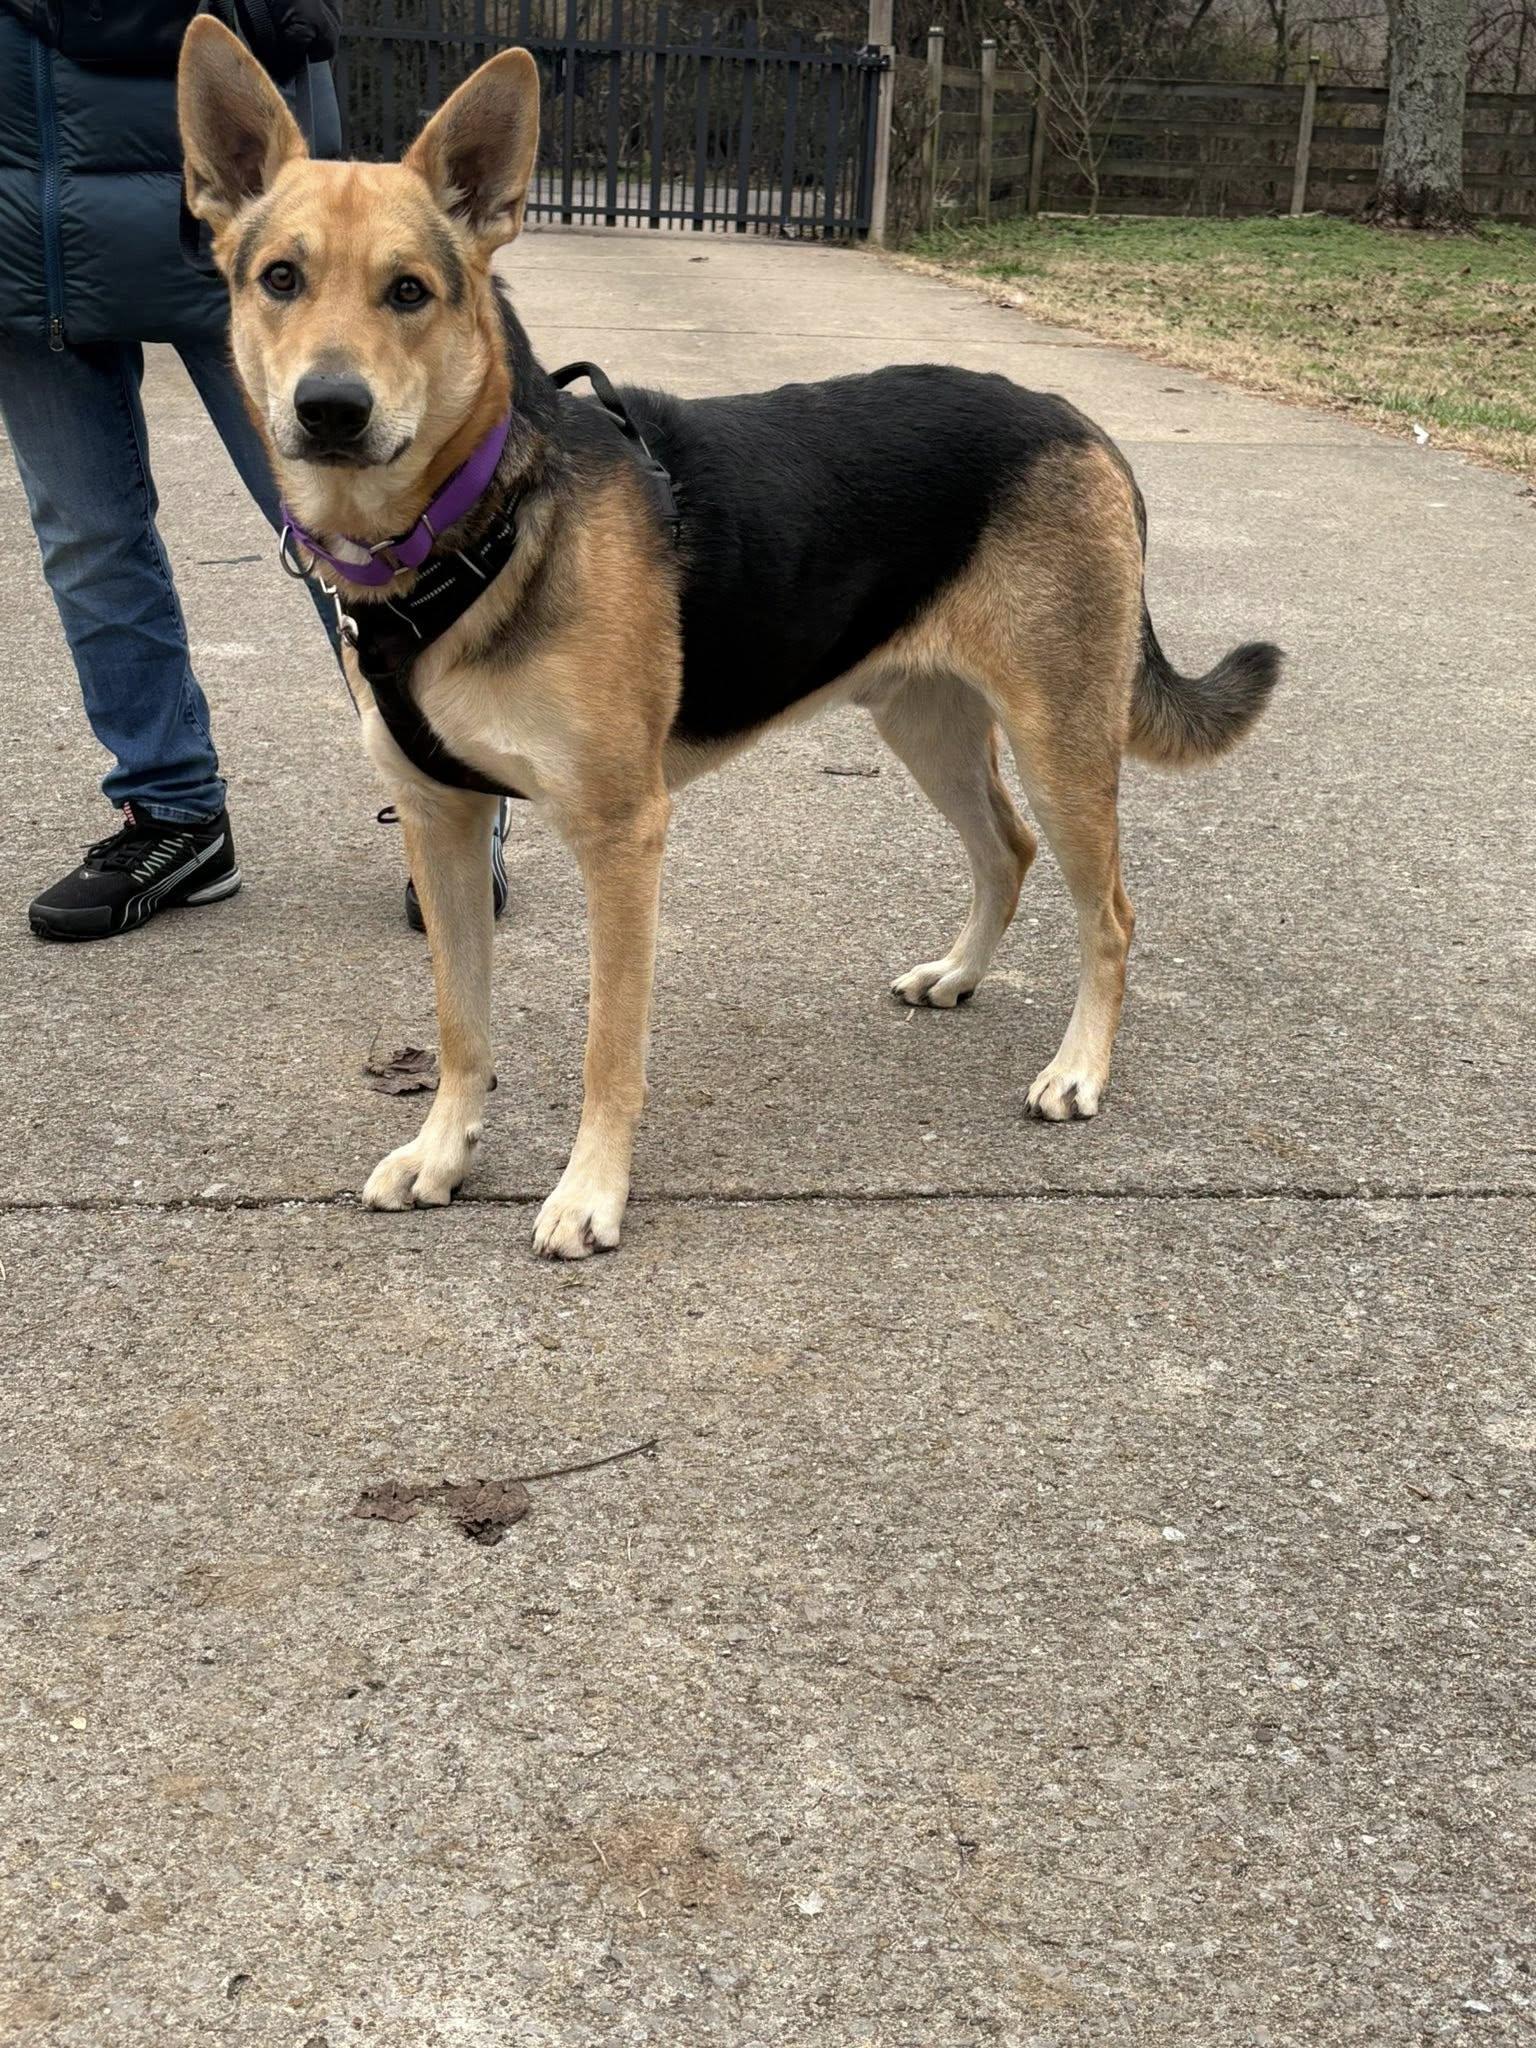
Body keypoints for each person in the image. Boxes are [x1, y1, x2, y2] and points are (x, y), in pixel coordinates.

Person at [0, 0, 509, 939]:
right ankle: (171, 813)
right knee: (85, 538)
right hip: (26, 212)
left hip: (240, 192)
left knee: (382, 533)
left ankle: (449, 789)